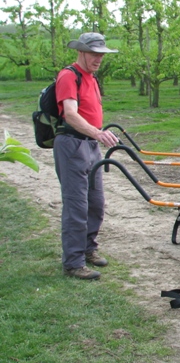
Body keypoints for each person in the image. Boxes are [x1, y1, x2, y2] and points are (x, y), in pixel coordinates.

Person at [54, 33, 120, 280]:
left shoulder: (91, 77)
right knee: (76, 206)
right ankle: (73, 262)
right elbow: (70, 114)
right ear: (81, 52)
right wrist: (96, 132)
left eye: (102, 54)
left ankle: (88, 248)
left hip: (91, 145)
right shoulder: (69, 76)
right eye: (95, 54)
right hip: (72, 145)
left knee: (95, 202)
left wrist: (97, 135)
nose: (99, 58)